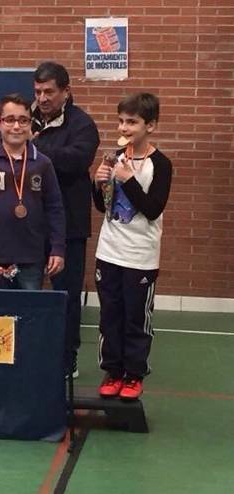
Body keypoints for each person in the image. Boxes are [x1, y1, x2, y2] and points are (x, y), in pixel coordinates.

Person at [92, 93, 172, 400]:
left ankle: (134, 374)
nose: (124, 127)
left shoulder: (160, 164)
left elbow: (152, 209)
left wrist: (128, 180)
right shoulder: (114, 157)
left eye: (132, 122)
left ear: (150, 126)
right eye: (121, 121)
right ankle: (113, 371)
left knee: (136, 319)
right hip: (109, 252)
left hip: (141, 257)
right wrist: (98, 184)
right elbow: (104, 206)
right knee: (110, 315)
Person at [31, 61, 100, 377]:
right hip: (30, 224)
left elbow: (76, 161)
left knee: (66, 295)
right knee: (27, 291)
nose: (42, 98)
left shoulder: (82, 125)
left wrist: (36, 146)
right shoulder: (27, 118)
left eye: (49, 92)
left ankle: (66, 358)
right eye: (38, 91)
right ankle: (30, 352)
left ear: (66, 91)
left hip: (69, 226)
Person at [0, 94, 65, 290]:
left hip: (32, 258)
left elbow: (55, 210)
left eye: (23, 120)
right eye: (9, 120)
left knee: (29, 308)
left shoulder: (43, 164)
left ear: (30, 124)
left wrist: (58, 249)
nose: (17, 126)